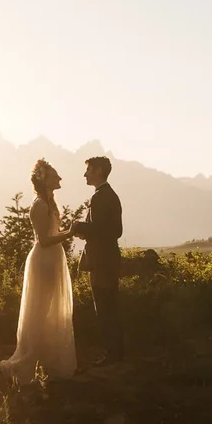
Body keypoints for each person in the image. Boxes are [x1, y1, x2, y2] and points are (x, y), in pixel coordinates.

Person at [0, 159, 77, 382]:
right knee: (40, 310)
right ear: (44, 181)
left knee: (49, 308)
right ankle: (28, 359)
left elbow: (52, 234)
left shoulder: (51, 203)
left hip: (54, 258)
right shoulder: (40, 205)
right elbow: (44, 240)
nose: (59, 179)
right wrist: (69, 233)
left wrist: (68, 232)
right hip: (44, 260)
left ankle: (45, 357)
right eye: (55, 176)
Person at [71, 155, 123, 364]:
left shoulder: (101, 197)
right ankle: (116, 352)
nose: (85, 174)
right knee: (110, 306)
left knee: (104, 308)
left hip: (102, 261)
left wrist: (80, 228)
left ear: (99, 170)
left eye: (89, 170)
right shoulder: (108, 195)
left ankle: (112, 354)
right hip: (108, 259)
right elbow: (112, 230)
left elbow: (108, 230)